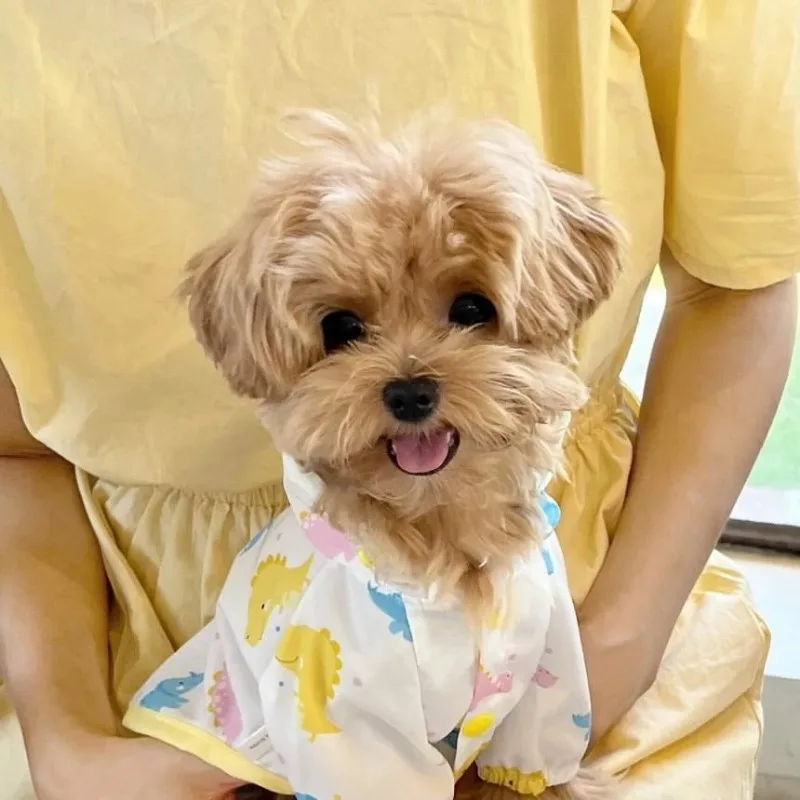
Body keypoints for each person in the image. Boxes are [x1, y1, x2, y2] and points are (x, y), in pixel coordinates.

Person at [0, 2, 798, 798]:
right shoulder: (337, 604)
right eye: (345, 328)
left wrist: (589, 690)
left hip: (605, 575)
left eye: (471, 310)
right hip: (181, 687)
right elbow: (347, 749)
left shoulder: (536, 535)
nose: (412, 377)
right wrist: (66, 742)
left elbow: (744, 280)